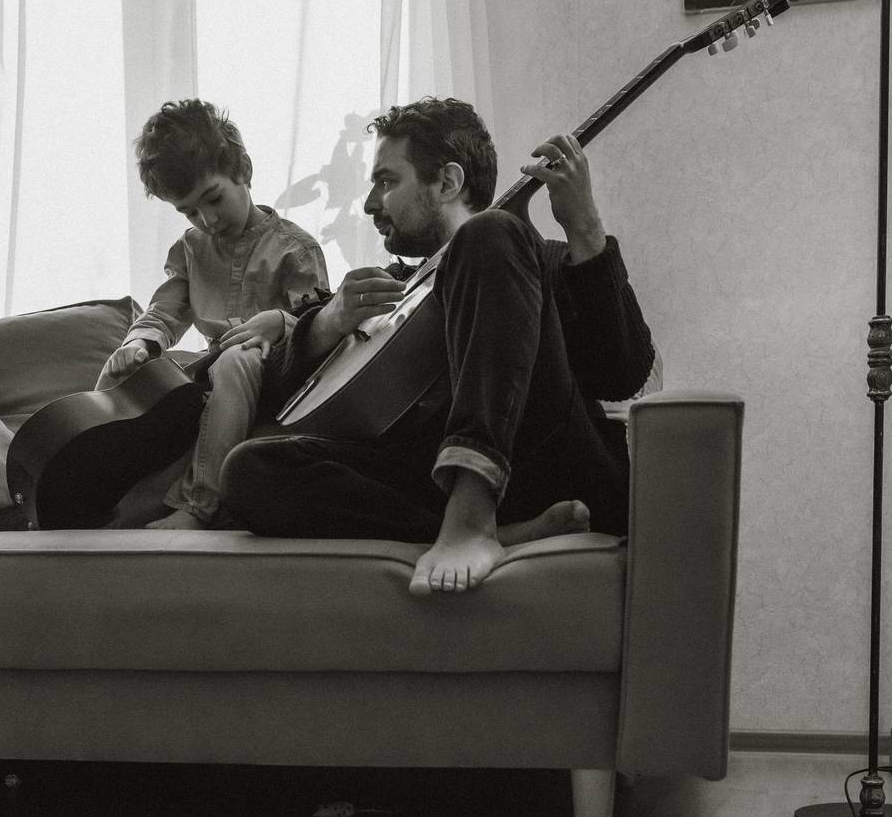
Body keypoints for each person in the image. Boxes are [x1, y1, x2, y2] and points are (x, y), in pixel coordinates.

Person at [219, 96, 656, 594]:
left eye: (387, 182)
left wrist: (585, 229)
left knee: (491, 232)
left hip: (538, 466)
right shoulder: (389, 288)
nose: (369, 204)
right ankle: (491, 531)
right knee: (248, 470)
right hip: (427, 480)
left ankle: (474, 506)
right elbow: (277, 398)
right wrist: (328, 322)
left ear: (447, 182)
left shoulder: (538, 258)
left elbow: (622, 374)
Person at [97, 99, 329, 529]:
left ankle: (199, 507)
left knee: (237, 359)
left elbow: (320, 326)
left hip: (276, 372)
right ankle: (94, 492)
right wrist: (140, 342)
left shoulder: (295, 250)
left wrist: (280, 323)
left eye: (214, 199)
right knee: (128, 367)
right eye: (188, 211)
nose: (207, 219)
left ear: (243, 171)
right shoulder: (190, 248)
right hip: (215, 369)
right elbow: (165, 310)